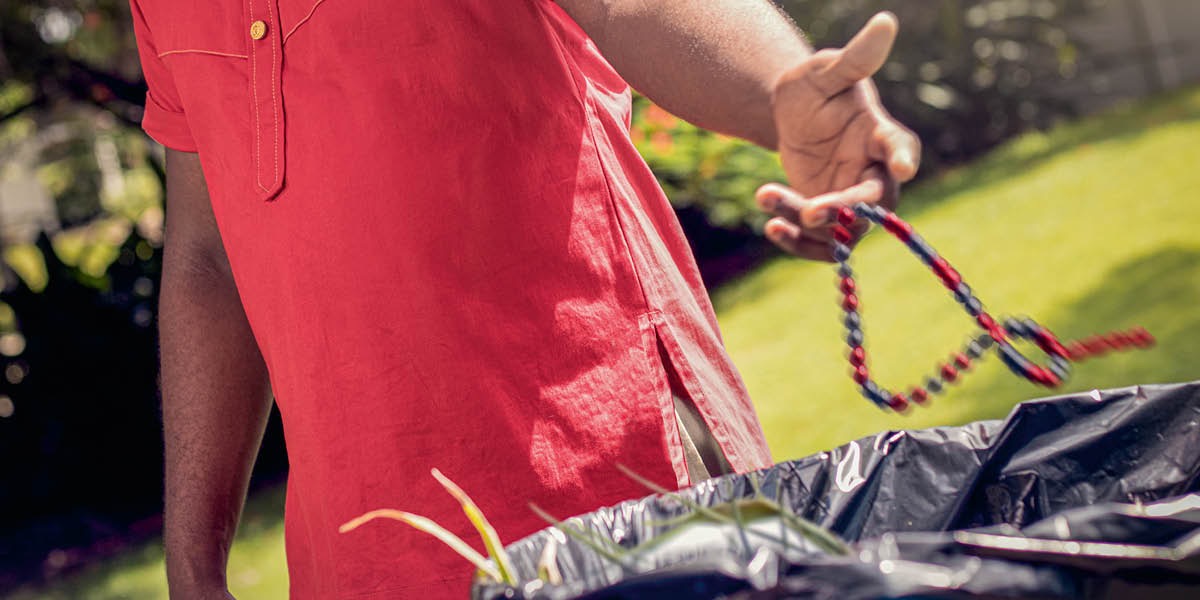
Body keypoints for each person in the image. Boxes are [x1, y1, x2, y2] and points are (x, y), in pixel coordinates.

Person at [129, 0, 919, 597]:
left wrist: (781, 90)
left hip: (620, 500)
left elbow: (638, 5)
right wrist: (193, 566)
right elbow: (208, 257)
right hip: (362, 563)